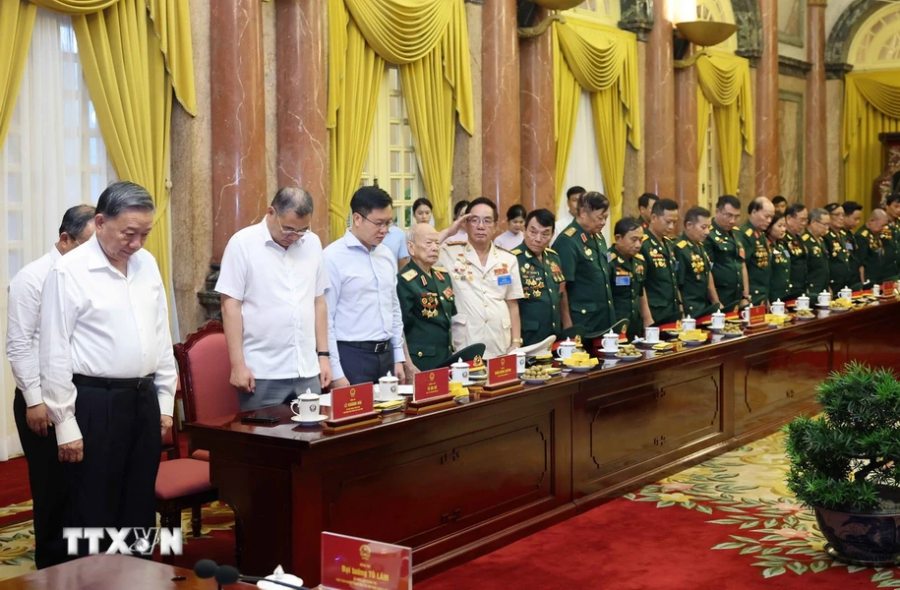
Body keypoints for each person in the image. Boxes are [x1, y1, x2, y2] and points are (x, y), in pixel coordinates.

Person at [39, 181, 177, 556]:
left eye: (144, 235)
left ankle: (139, 577)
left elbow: (160, 335)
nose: (136, 244)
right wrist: (65, 422)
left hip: (143, 398)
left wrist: (164, 401)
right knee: (92, 508)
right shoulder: (69, 271)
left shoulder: (147, 264)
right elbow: (54, 352)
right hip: (95, 403)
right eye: (129, 234)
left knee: (138, 504)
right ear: (100, 222)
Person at [6, 204, 95, 568]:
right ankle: (54, 571)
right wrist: (34, 400)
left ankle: (90, 566)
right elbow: (20, 343)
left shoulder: (87, 273)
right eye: (87, 244)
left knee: (85, 487)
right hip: (41, 399)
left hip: (81, 394)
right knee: (53, 491)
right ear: (64, 238)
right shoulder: (32, 278)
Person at [216, 187, 330, 411]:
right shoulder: (242, 244)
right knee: (264, 442)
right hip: (262, 372)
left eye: (302, 230)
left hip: (307, 370)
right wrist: (238, 365)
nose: (294, 237)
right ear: (271, 212)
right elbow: (230, 306)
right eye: (288, 228)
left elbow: (319, 302)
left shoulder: (313, 243)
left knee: (313, 440)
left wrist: (324, 356)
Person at [325, 186, 406, 386]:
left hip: (386, 356)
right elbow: (326, 319)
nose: (385, 230)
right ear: (357, 219)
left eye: (388, 223)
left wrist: (397, 356)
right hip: (352, 357)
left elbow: (393, 308)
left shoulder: (386, 254)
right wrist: (336, 373)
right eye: (379, 223)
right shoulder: (332, 257)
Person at [439, 197, 523, 358]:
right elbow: (421, 250)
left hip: (499, 340)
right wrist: (450, 231)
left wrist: (516, 342)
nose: (480, 226)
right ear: (465, 223)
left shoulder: (508, 259)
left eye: (487, 221)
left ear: (496, 226)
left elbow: (512, 304)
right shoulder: (449, 253)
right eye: (474, 220)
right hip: (466, 340)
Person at [552, 192, 616, 337]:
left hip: (603, 318)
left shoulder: (598, 237)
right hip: (582, 321)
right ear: (582, 213)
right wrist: (568, 326)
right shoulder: (568, 241)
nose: (603, 222)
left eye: (605, 218)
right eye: (600, 218)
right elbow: (562, 287)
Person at [397, 224, 456, 371]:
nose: (435, 248)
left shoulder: (443, 277)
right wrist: (407, 364)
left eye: (437, 243)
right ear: (411, 248)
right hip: (420, 360)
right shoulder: (405, 281)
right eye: (429, 243)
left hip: (445, 356)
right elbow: (399, 328)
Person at [512, 209, 569, 346]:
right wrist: (514, 340)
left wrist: (567, 325)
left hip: (554, 333)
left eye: (545, 234)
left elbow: (561, 292)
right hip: (528, 336)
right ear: (524, 230)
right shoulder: (513, 259)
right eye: (533, 232)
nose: (538, 239)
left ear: (552, 235)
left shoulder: (553, 257)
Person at [641, 198, 683, 325]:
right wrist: (647, 317)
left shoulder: (669, 243)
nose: (671, 227)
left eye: (674, 223)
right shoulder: (643, 244)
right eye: (668, 222)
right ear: (654, 218)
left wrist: (680, 305)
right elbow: (640, 286)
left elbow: (674, 278)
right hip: (655, 312)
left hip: (672, 310)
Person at [675, 206, 721, 318]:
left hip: (704, 306)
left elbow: (708, 273)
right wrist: (681, 311)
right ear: (689, 225)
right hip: (690, 308)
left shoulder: (700, 246)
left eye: (709, 227)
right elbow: (677, 285)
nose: (707, 232)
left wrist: (716, 302)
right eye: (703, 227)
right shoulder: (680, 249)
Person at [706, 195, 749, 311]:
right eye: (729, 215)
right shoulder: (708, 235)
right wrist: (716, 302)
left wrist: (745, 296)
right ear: (717, 212)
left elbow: (742, 264)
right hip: (720, 297)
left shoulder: (736, 233)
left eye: (737, 216)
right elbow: (707, 271)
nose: (732, 221)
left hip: (737, 297)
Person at [608, 217, 648, 339]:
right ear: (618, 238)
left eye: (641, 240)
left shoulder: (639, 261)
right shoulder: (609, 260)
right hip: (615, 324)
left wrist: (647, 318)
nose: (638, 245)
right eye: (634, 240)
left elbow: (641, 292)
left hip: (635, 322)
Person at [739, 197, 775, 305]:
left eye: (771, 217)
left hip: (762, 296)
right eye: (766, 216)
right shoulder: (744, 235)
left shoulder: (760, 234)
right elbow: (742, 267)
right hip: (751, 297)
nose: (769, 221)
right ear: (754, 212)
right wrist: (745, 296)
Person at [823, 203, 858, 291]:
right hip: (834, 284)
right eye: (837, 215)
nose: (841, 218)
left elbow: (851, 254)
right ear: (828, 217)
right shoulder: (825, 237)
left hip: (848, 283)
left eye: (843, 215)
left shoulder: (845, 235)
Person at [855, 208, 890, 286]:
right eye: (882, 225)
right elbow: (861, 264)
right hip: (869, 281)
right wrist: (863, 284)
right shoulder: (862, 237)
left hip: (878, 280)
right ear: (872, 221)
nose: (884, 228)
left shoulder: (875, 235)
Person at [766, 213, 793, 302]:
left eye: (784, 226)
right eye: (779, 226)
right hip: (772, 296)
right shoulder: (766, 246)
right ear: (769, 227)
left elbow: (788, 262)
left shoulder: (782, 246)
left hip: (785, 294)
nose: (783, 229)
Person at [784, 203, 809, 298]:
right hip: (789, 291)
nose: (804, 223)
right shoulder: (783, 239)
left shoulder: (798, 238)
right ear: (789, 219)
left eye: (806, 220)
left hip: (801, 288)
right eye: (802, 220)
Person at [804, 208, 831, 295]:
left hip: (823, 288)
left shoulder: (821, 240)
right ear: (813, 223)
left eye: (828, 224)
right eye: (825, 224)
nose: (827, 228)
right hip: (812, 288)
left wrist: (828, 286)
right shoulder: (805, 241)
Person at [880, 192, 900, 280]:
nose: (899, 210)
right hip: (885, 271)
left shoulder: (898, 224)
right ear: (887, 206)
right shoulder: (880, 224)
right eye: (896, 206)